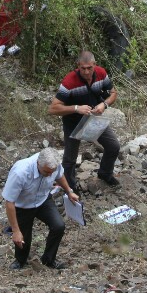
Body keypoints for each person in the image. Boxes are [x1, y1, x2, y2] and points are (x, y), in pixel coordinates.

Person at [48, 50, 121, 189]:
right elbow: (52, 109)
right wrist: (76, 108)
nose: (87, 72)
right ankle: (69, 187)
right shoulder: (69, 81)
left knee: (113, 146)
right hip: (73, 122)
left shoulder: (101, 73)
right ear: (78, 66)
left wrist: (104, 104)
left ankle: (105, 173)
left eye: (89, 68)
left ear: (95, 64)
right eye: (83, 68)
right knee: (70, 158)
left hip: (93, 118)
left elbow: (113, 92)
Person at [1, 148, 80, 270]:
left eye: (51, 172)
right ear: (38, 163)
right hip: (23, 206)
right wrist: (15, 231)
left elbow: (60, 175)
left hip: (43, 200)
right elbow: (9, 202)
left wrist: (69, 191)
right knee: (23, 237)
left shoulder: (54, 165)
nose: (49, 175)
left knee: (58, 226)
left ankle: (49, 259)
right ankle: (20, 260)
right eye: (46, 172)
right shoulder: (20, 172)